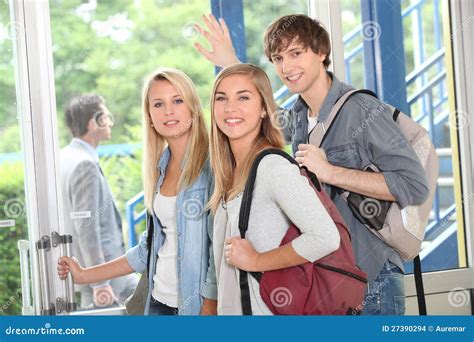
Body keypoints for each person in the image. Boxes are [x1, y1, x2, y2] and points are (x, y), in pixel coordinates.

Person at [195, 13, 429, 315]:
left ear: (321, 53)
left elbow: (414, 185)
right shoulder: (301, 115)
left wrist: (331, 172)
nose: (286, 67)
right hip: (331, 277)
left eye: (296, 53)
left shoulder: (360, 109)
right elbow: (257, 111)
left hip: (372, 279)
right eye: (278, 58)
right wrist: (232, 63)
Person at [58, 68, 217, 315]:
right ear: (150, 116)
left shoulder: (214, 164)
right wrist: (84, 274)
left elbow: (219, 248)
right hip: (156, 304)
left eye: (177, 100)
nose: (168, 111)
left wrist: (209, 307)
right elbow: (147, 249)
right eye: (158, 104)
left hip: (196, 309)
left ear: (193, 108)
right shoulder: (159, 169)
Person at [208, 63, 340, 315]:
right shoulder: (227, 174)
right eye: (221, 98)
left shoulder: (272, 167)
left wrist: (256, 261)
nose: (230, 108)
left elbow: (325, 237)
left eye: (243, 97)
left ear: (263, 110)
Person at [60, 94, 138, 309]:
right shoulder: (85, 165)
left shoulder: (65, 157)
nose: (111, 122)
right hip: (102, 275)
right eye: (106, 116)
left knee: (144, 296)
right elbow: (86, 228)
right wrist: (100, 283)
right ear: (94, 123)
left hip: (96, 270)